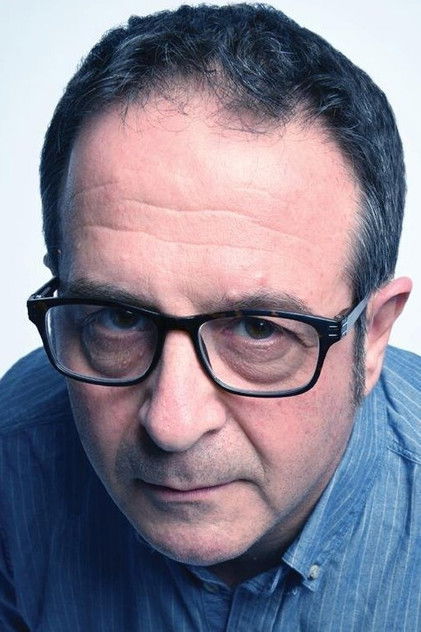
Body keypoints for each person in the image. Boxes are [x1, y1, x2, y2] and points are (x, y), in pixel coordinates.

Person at [1, 3, 419, 630]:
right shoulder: (12, 459)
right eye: (118, 318)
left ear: (373, 335)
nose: (171, 425)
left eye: (257, 329)